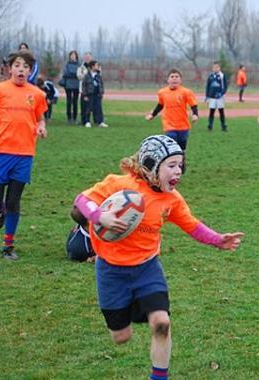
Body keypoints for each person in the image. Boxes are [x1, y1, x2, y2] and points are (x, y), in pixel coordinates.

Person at [73, 135, 243, 380]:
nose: (178, 171)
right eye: (171, 165)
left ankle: (159, 376)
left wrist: (218, 239)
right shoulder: (121, 185)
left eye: (180, 165)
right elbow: (81, 200)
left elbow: (192, 225)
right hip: (110, 271)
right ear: (151, 166)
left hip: (146, 269)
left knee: (162, 323)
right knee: (121, 337)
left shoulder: (171, 199)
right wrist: (99, 216)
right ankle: (129, 306)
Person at [0, 50, 48, 260]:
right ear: (10, 68)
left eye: (25, 66)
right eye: (17, 65)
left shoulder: (36, 94)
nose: (21, 69)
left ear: (30, 70)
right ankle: (0, 211)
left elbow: (40, 119)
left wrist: (41, 127)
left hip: (24, 155)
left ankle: (8, 246)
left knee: (14, 201)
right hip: (1, 154)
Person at [145, 69, 199, 151]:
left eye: (177, 77)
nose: (174, 78)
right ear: (168, 80)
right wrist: (153, 115)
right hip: (169, 125)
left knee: (182, 148)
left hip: (183, 125)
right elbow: (160, 105)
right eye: (172, 77)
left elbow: (193, 105)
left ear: (180, 80)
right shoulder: (162, 92)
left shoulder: (186, 92)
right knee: (172, 144)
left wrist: (195, 115)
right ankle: (172, 161)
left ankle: (182, 162)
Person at [81, 60, 108, 128]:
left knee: (99, 108)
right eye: (96, 65)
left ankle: (100, 122)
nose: (98, 67)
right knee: (88, 108)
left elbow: (101, 84)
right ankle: (87, 121)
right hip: (90, 94)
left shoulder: (98, 75)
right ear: (92, 66)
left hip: (97, 95)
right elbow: (84, 85)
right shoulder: (87, 76)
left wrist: (102, 92)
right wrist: (85, 95)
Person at [205, 61, 228, 132]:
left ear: (219, 68)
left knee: (221, 111)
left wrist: (222, 93)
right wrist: (207, 96)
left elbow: (225, 86)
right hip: (212, 97)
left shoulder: (222, 76)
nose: (215, 68)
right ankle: (210, 125)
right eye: (214, 67)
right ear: (212, 68)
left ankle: (223, 126)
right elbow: (208, 86)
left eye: (217, 67)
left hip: (219, 97)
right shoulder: (211, 76)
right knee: (211, 111)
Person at [61, 50, 81, 124]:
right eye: (71, 55)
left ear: (76, 56)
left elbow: (80, 73)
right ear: (69, 56)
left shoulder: (79, 64)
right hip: (68, 85)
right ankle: (69, 118)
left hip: (76, 85)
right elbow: (66, 73)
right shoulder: (67, 64)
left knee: (75, 102)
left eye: (74, 55)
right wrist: (74, 74)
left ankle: (75, 117)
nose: (73, 56)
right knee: (69, 102)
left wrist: (74, 74)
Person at [77, 52, 94, 126]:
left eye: (89, 57)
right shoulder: (81, 67)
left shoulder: (94, 66)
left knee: (91, 107)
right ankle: (83, 120)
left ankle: (92, 121)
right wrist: (86, 74)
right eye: (86, 57)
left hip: (92, 90)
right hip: (83, 90)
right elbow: (79, 76)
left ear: (91, 58)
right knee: (83, 106)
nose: (87, 58)